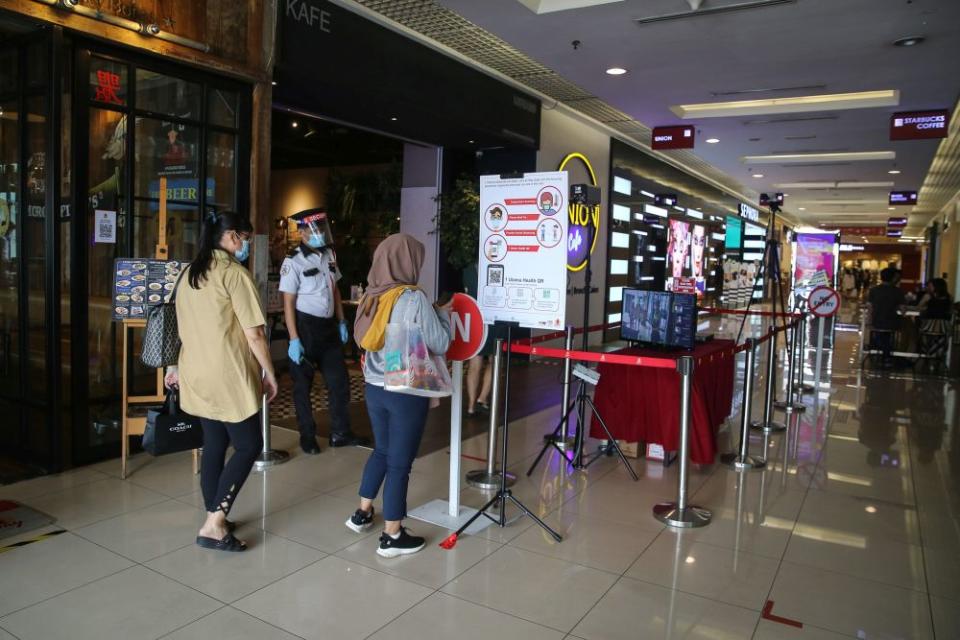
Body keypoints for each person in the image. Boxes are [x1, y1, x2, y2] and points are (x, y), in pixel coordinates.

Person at [164, 211, 277, 552]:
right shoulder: (232, 274)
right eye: (242, 237)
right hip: (227, 374)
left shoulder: (188, 273)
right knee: (248, 445)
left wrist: (173, 366)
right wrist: (269, 371)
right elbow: (255, 334)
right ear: (229, 237)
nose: (244, 244)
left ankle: (215, 512)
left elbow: (174, 326)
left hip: (194, 372)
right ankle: (214, 524)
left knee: (214, 443)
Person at [346, 233, 451, 557]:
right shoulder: (412, 297)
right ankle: (392, 534)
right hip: (404, 389)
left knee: (382, 450)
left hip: (374, 386)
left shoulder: (371, 295)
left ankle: (362, 513)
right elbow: (440, 342)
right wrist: (443, 314)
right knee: (399, 464)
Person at [280, 208, 365, 454]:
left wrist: (341, 321)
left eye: (322, 228)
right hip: (305, 328)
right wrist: (294, 339)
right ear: (303, 232)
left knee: (339, 382)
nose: (320, 234)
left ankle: (341, 432)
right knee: (302, 385)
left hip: (328, 328)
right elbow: (288, 302)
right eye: (315, 230)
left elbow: (334, 290)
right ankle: (307, 435)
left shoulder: (328, 254)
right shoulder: (293, 261)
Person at [867, 267, 906, 365]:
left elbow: (870, 308)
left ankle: (883, 350)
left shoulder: (874, 290)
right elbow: (903, 310)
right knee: (888, 335)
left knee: (881, 333)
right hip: (893, 322)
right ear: (893, 278)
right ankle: (887, 355)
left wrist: (869, 321)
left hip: (877, 322)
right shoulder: (898, 291)